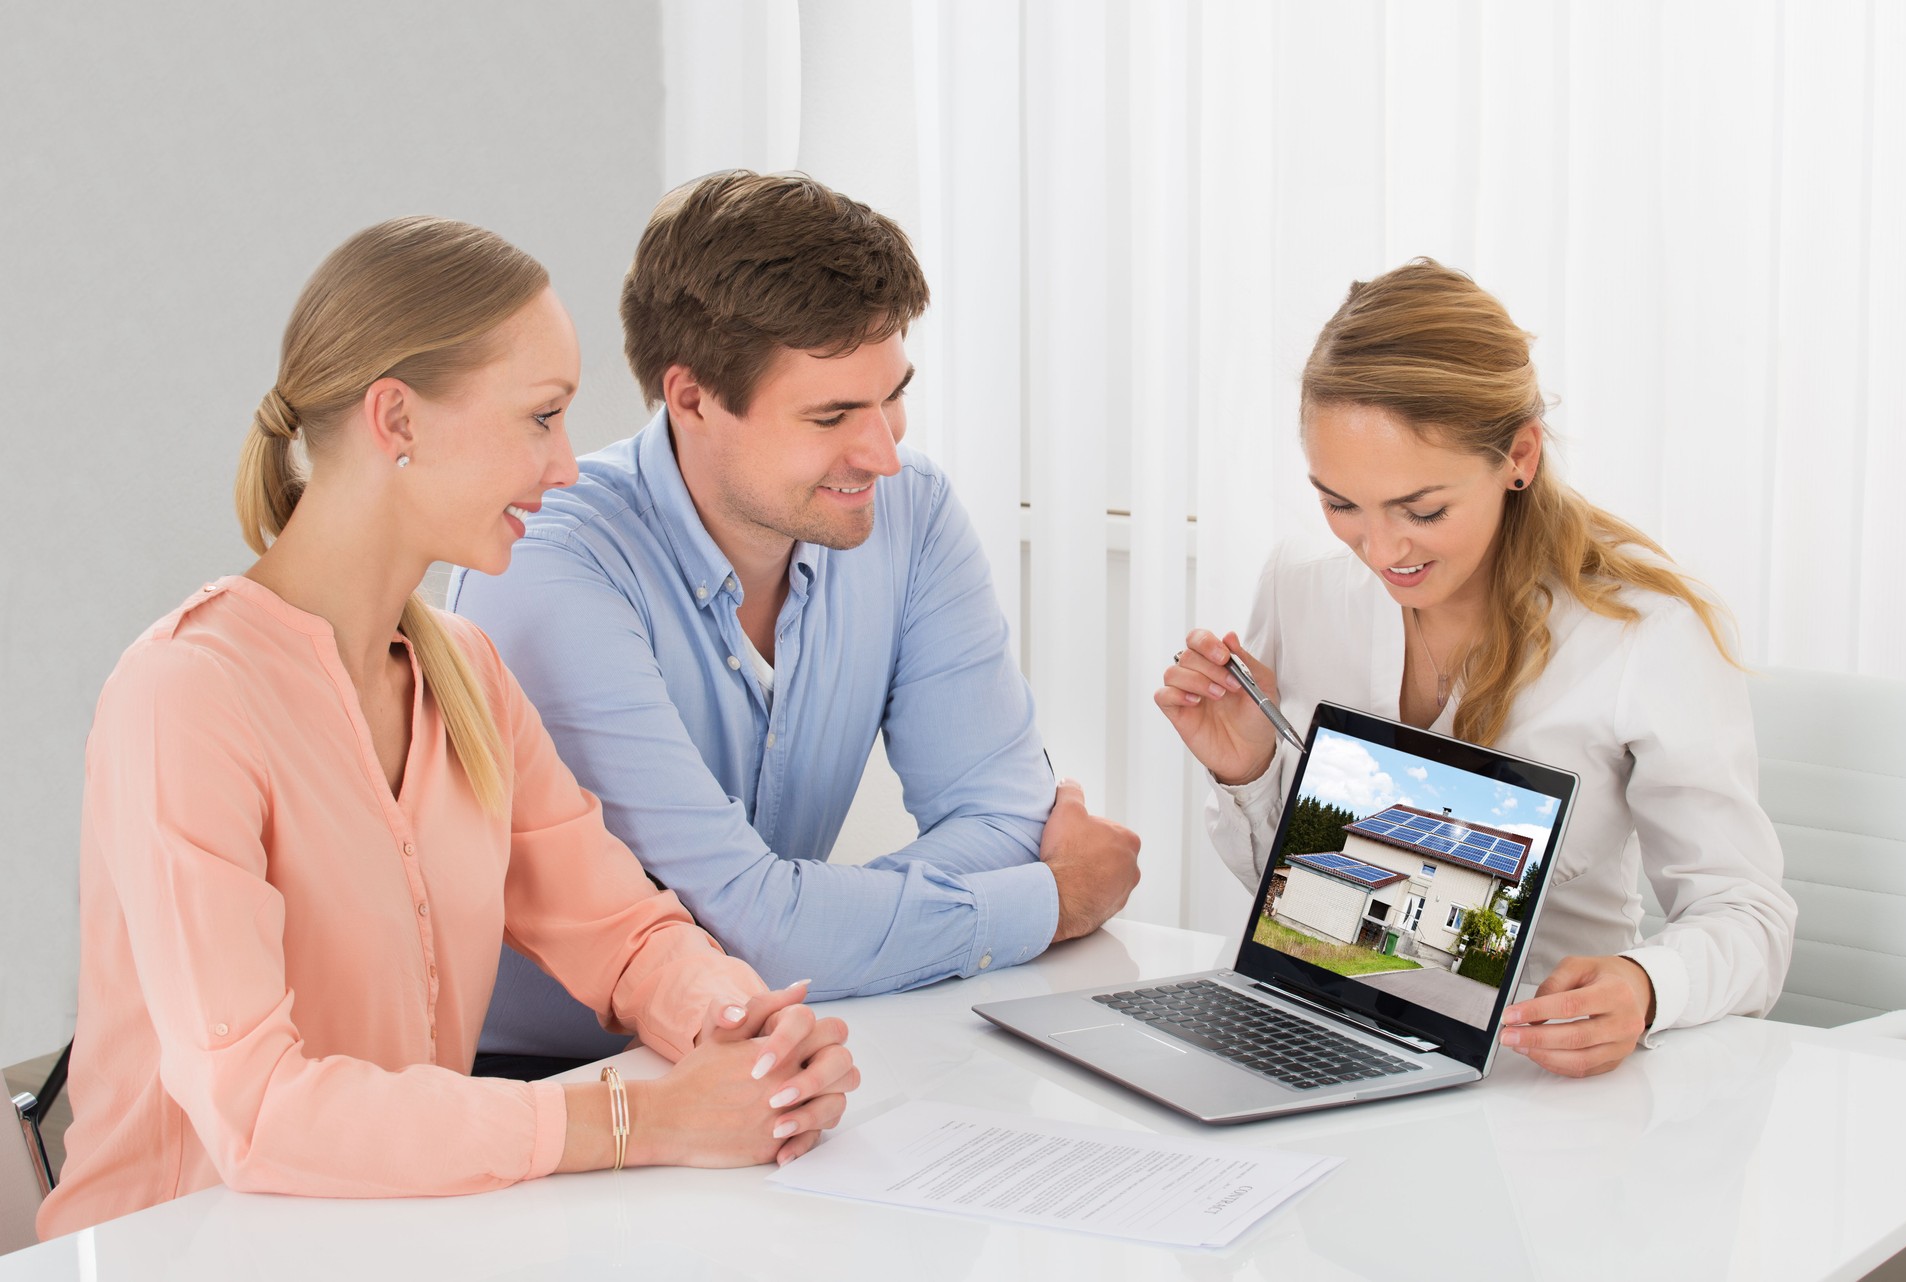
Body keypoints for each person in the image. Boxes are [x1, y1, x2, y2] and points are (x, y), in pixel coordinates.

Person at [38, 218, 856, 1239]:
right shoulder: (186, 695)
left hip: (395, 1239)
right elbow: (257, 1112)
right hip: (180, 1250)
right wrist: (633, 1121)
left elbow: (624, 932)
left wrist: (746, 1031)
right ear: (397, 419)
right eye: (541, 417)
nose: (565, 467)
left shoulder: (465, 673)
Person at [450, 170, 1140, 1071]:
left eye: (892, 394)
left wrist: (805, 919)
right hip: (549, 1087)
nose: (884, 452)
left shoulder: (911, 513)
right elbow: (761, 937)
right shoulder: (553, 564)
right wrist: (1049, 901)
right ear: (691, 399)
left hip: (765, 1054)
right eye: (831, 415)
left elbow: (1005, 816)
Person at [1157, 259, 1796, 1079]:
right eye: (1341, 502)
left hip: (1535, 1073)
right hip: (1321, 1039)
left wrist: (1645, 984)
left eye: (1423, 511)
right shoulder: (1302, 579)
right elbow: (1296, 903)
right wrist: (1247, 770)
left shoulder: (1644, 630)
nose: (1380, 551)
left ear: (1519, 455)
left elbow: (1748, 914)